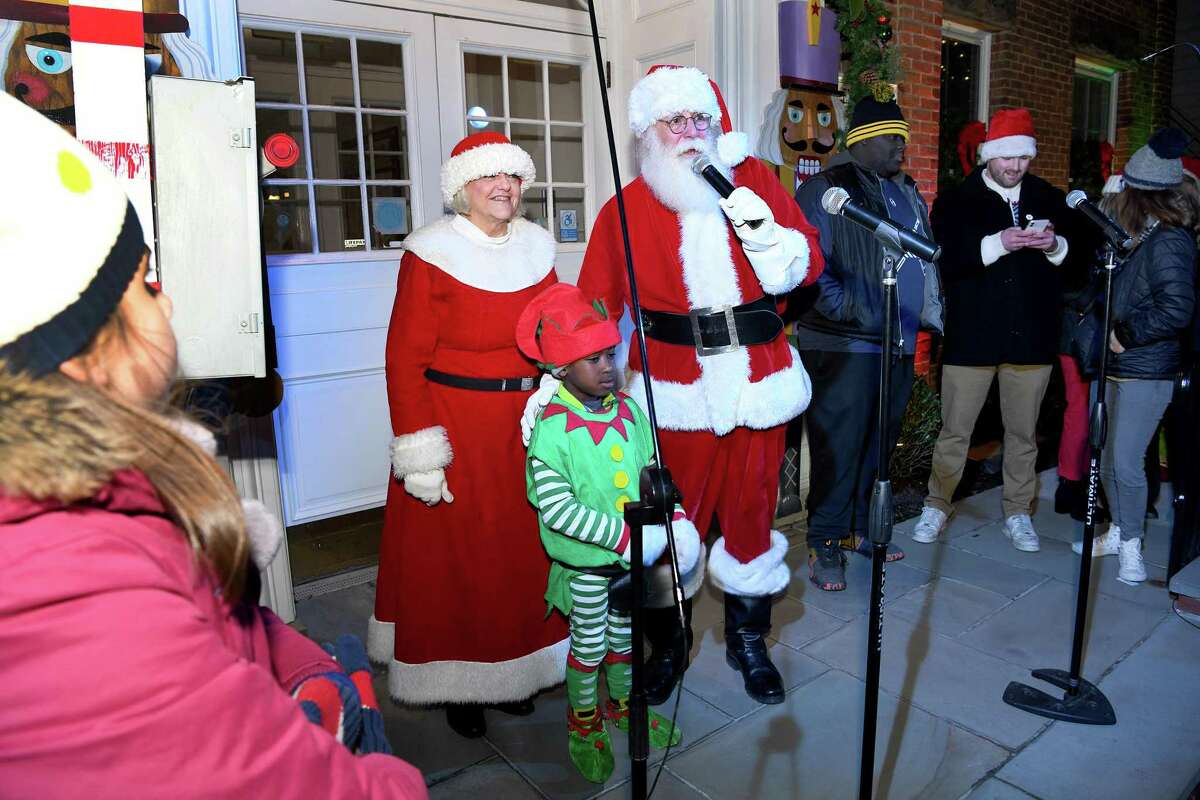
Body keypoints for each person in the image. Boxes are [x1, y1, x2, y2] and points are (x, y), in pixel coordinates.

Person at [0, 92, 427, 797]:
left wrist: (298, 669)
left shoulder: (111, 491)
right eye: (144, 285)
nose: (166, 305)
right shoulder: (77, 591)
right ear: (78, 350)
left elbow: (228, 621)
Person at [568, 65, 823, 705]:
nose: (689, 133)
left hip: (758, 382)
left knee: (752, 515)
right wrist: (579, 388)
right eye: (673, 121)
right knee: (665, 526)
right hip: (671, 392)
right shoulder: (624, 208)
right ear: (649, 132)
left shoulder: (756, 180)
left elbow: (809, 263)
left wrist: (763, 230)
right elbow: (592, 307)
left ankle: (748, 642)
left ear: (717, 122)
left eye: (698, 119)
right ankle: (669, 647)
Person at [372, 132, 568, 739]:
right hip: (452, 426)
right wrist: (420, 451)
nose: (503, 187)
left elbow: (555, 335)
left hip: (525, 426)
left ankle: (515, 672)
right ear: (463, 187)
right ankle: (461, 686)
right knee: (456, 560)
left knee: (519, 554)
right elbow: (403, 360)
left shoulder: (538, 249)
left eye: (512, 176)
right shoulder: (429, 252)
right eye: (489, 177)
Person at [517, 283, 701, 783]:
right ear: (560, 369)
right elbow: (556, 508)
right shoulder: (553, 428)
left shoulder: (629, 411)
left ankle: (622, 706)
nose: (607, 367)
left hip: (633, 562)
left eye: (609, 354)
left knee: (626, 639)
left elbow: (654, 469)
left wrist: (675, 518)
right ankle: (584, 722)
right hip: (590, 566)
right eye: (591, 359)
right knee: (591, 645)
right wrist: (625, 539)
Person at [910, 108, 1087, 552]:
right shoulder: (957, 200)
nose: (1014, 167)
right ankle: (937, 503)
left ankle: (1017, 512)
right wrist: (997, 244)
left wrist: (1056, 246)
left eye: (1022, 159)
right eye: (1006, 158)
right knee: (956, 430)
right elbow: (945, 260)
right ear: (988, 157)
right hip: (972, 337)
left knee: (1023, 434)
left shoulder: (1050, 198)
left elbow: (1079, 265)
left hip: (1032, 337)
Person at [794, 91, 943, 591]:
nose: (902, 146)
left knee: (879, 443)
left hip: (896, 342)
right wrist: (854, 312)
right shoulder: (827, 190)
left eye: (903, 136)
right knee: (838, 446)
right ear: (861, 140)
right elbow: (809, 269)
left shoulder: (905, 190)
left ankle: (859, 527)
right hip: (845, 344)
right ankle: (825, 541)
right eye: (891, 138)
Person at [1069, 128, 1197, 584]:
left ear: (1143, 195)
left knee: (1126, 461)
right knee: (1103, 457)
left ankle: (1133, 546)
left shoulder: (1171, 241)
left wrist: (1125, 334)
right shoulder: (1132, 234)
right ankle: (1120, 531)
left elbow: (1177, 308)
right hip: (1112, 366)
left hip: (1145, 369)